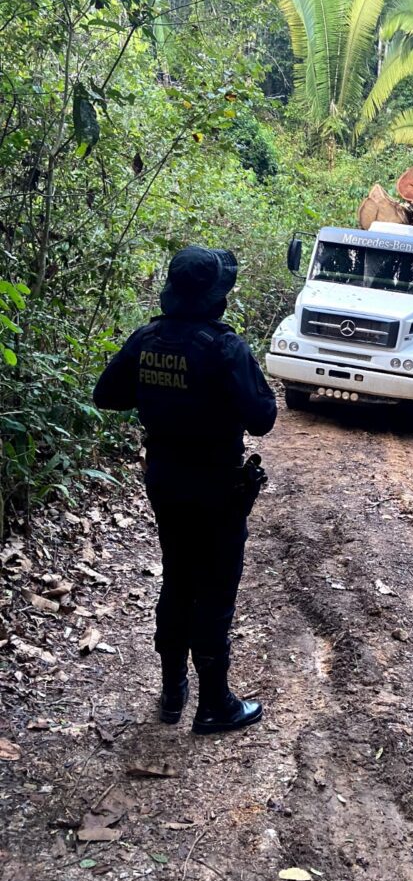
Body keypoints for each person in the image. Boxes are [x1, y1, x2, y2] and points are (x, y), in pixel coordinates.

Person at [93, 247, 277, 735]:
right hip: (216, 486)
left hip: (166, 480)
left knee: (177, 577)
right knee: (214, 589)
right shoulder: (225, 347)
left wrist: (161, 395)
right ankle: (214, 704)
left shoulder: (147, 339)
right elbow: (263, 417)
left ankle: (173, 692)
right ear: (215, 297)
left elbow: (107, 394)